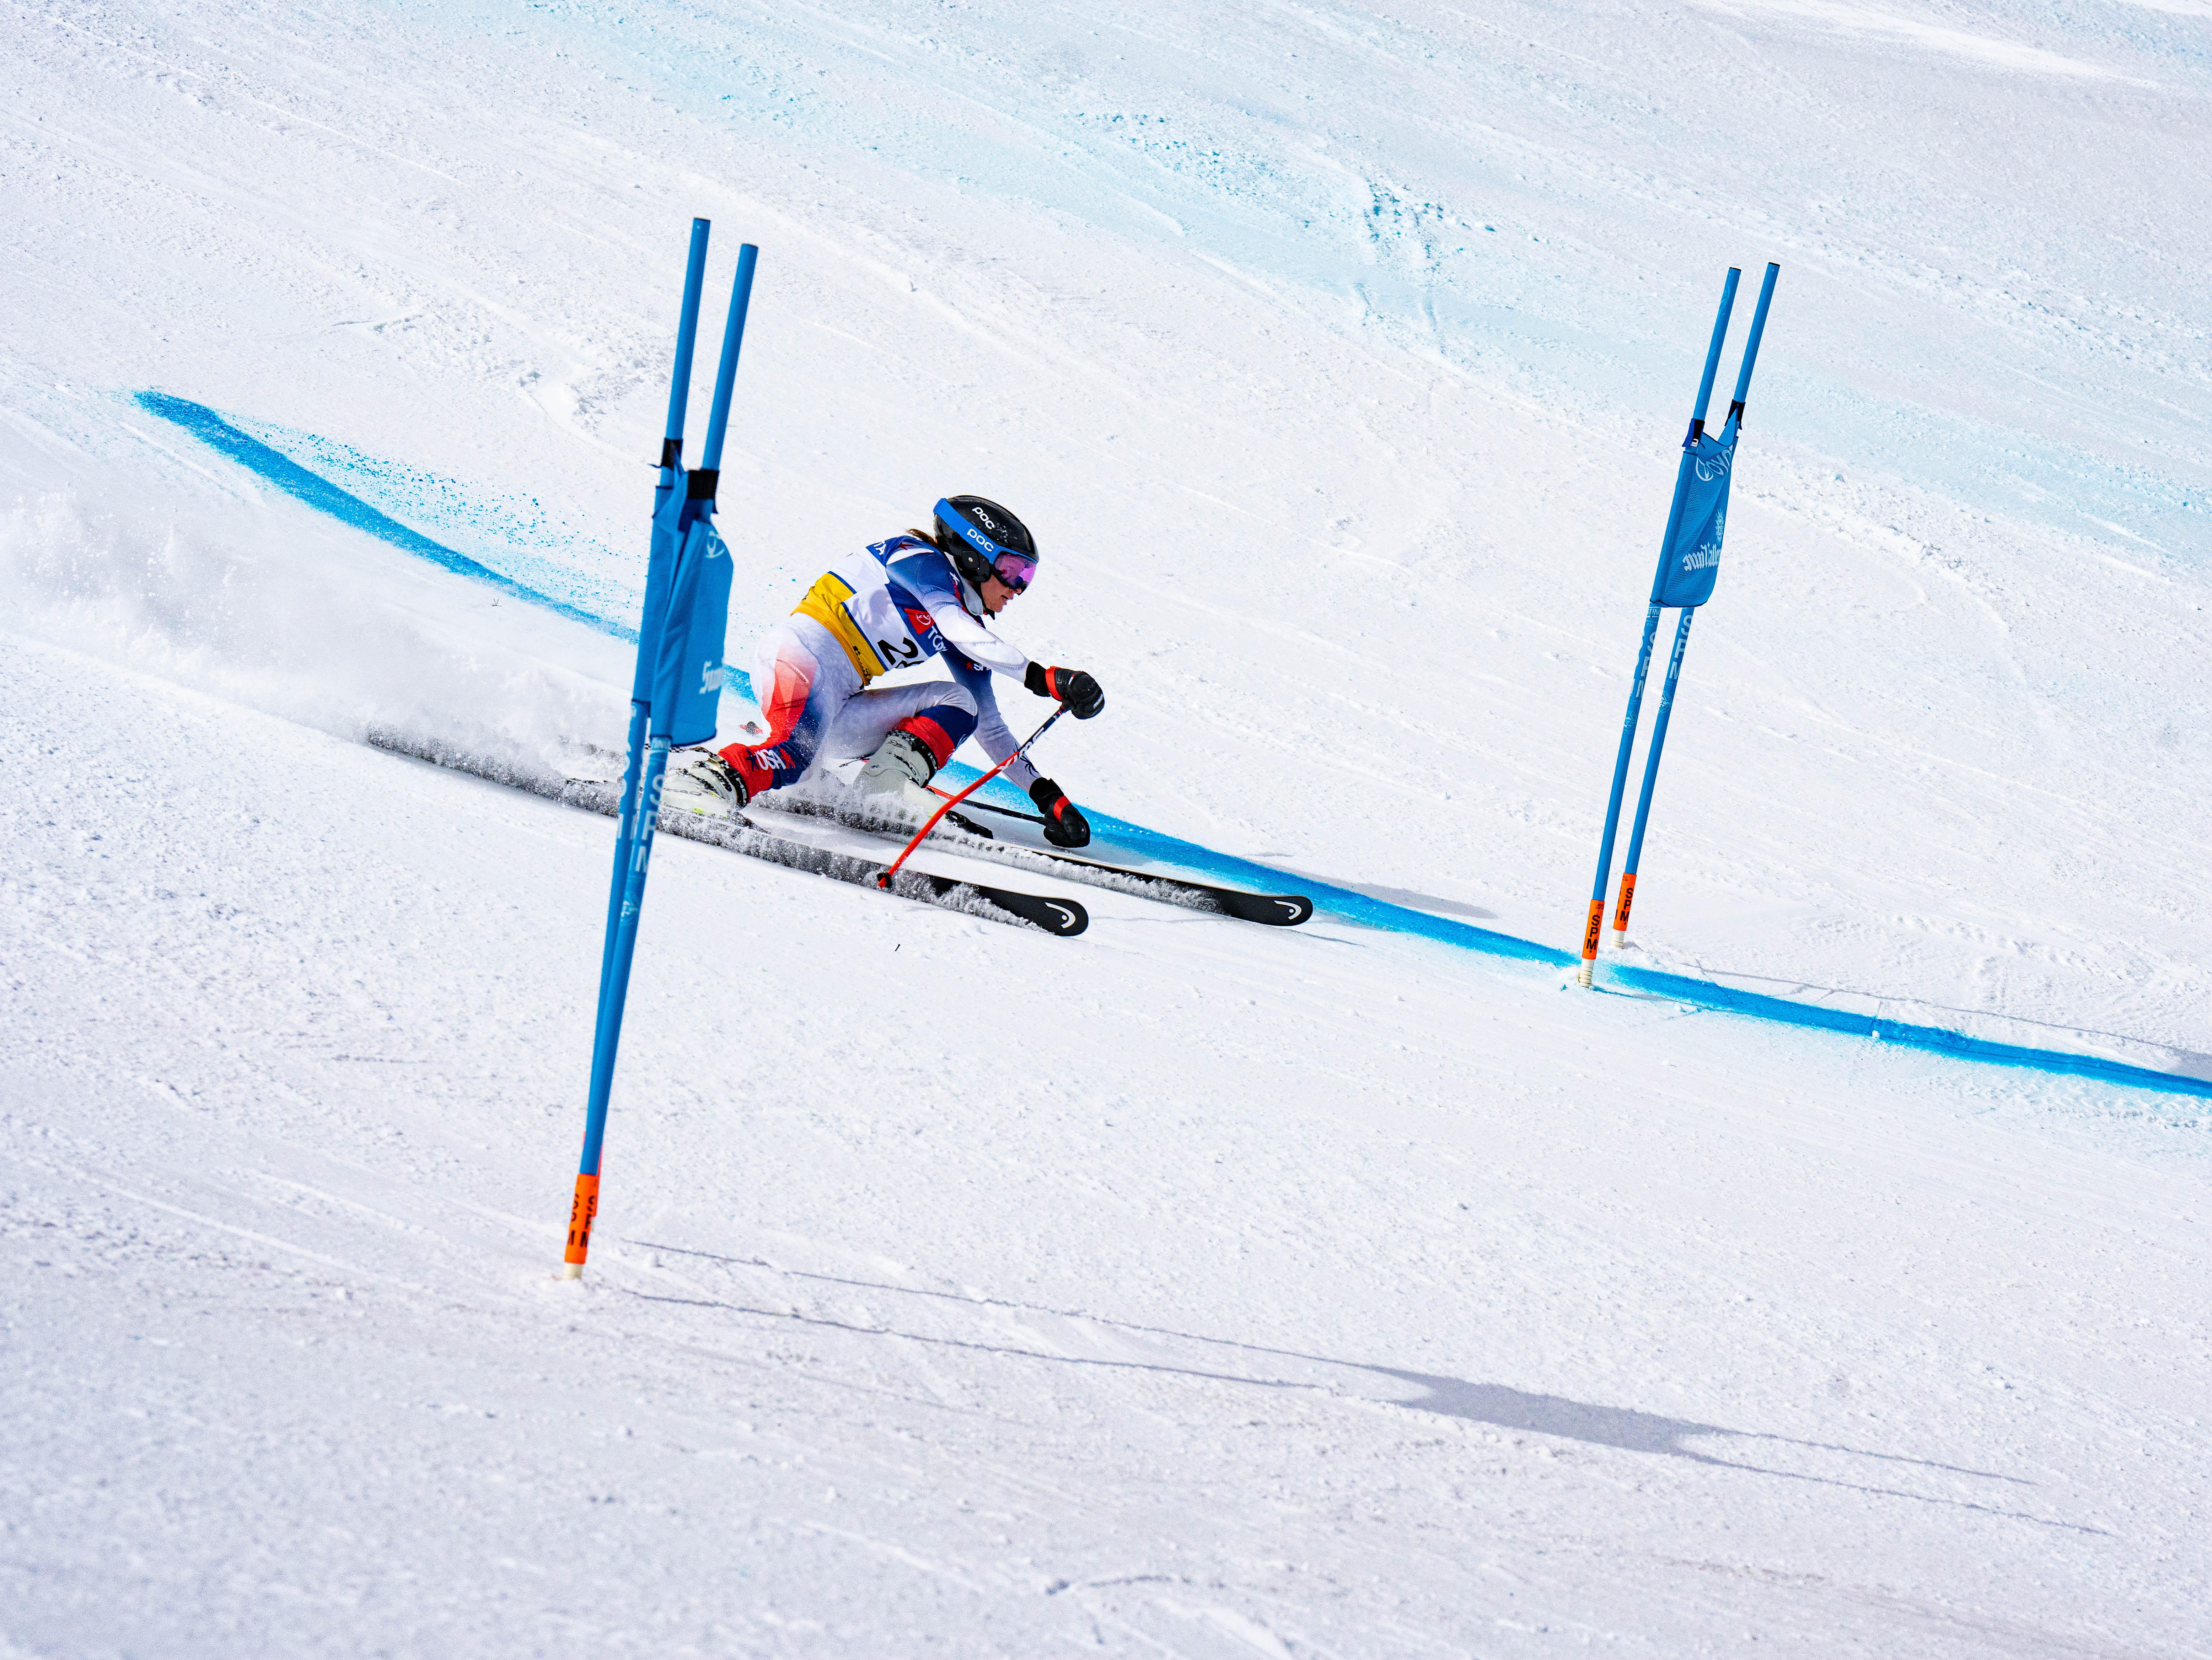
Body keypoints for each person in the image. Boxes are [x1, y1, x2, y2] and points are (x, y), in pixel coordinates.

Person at [667, 495, 1104, 847]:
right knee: (795, 756)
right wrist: (1043, 678)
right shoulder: (920, 560)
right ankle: (700, 784)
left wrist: (1046, 797)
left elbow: (989, 726)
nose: (1017, 589)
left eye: (1025, 576)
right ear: (975, 556)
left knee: (962, 703)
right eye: (1011, 571)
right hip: (803, 655)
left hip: (843, 698)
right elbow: (951, 623)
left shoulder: (965, 624)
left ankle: (884, 788)